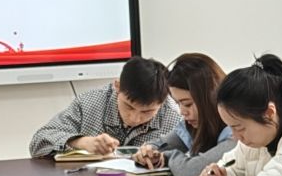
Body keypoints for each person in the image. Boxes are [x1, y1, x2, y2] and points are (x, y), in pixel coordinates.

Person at [28, 56, 180, 157]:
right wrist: (81, 142)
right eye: (129, 107)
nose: (134, 118)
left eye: (147, 112)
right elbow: (38, 143)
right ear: (117, 86)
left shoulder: (173, 115)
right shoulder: (90, 103)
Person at [133, 52, 235, 176]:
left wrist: (166, 157)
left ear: (210, 97)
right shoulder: (193, 125)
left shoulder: (237, 129)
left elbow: (190, 171)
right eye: (178, 103)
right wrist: (147, 152)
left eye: (187, 104)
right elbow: (160, 144)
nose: (182, 112)